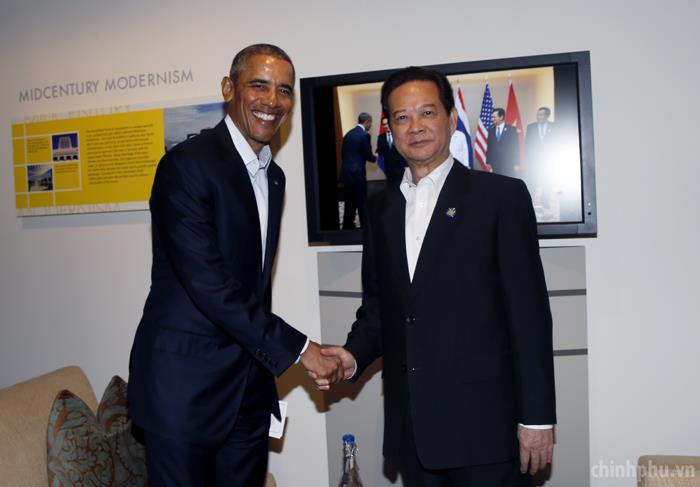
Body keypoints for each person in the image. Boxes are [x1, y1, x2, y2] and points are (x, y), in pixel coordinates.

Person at [320, 66, 556, 487]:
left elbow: (529, 315)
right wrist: (352, 356)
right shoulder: (381, 209)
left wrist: (536, 417)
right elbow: (381, 306)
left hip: (487, 431)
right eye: (402, 117)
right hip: (415, 431)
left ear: (450, 118)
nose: (415, 126)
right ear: (390, 129)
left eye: (427, 112)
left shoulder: (500, 198)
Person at [127, 44, 342, 487]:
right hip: (185, 389)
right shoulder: (187, 165)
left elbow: (252, 284)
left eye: (284, 90)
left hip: (247, 388)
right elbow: (209, 285)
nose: (272, 100)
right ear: (229, 88)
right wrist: (302, 350)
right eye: (259, 85)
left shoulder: (273, 176)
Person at [340, 112, 377, 229]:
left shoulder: (348, 134)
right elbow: (369, 156)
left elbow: (343, 154)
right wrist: (375, 157)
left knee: (349, 201)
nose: (370, 125)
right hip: (357, 174)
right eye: (370, 123)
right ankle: (365, 226)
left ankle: (347, 226)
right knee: (361, 201)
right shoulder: (364, 135)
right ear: (367, 122)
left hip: (346, 173)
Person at [525, 107, 557, 208]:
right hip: (534, 159)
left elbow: (557, 143)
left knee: (547, 180)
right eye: (538, 114)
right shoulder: (531, 127)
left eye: (541, 115)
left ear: (547, 115)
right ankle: (529, 200)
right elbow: (527, 144)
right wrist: (527, 158)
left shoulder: (554, 127)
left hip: (548, 159)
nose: (538, 117)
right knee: (532, 179)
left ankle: (545, 201)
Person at [486, 107, 520, 178]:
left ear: (501, 117)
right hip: (495, 165)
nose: (492, 119)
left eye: (494, 117)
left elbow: (515, 147)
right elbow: (489, 147)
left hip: (508, 164)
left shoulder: (511, 130)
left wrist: (517, 163)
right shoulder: (491, 130)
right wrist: (488, 162)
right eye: (492, 117)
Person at [376, 116, 407, 183]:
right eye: (384, 124)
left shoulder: (399, 135)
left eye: (387, 123)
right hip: (388, 168)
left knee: (402, 186)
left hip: (401, 167)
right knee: (391, 186)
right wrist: (377, 153)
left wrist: (407, 165)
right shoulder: (381, 137)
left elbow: (406, 150)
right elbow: (379, 149)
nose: (386, 126)